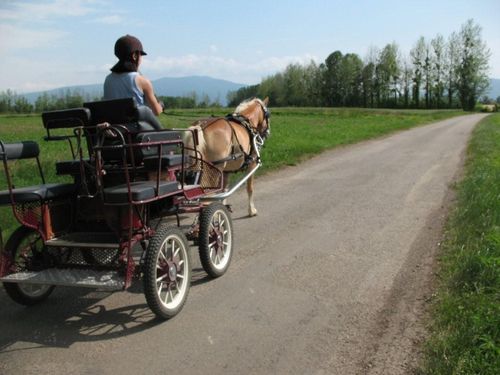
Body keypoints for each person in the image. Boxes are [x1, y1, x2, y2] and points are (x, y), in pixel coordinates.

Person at [104, 35, 164, 121]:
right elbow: (156, 111)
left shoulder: (108, 79)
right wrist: (161, 105)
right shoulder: (142, 81)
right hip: (137, 129)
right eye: (140, 55)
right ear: (135, 56)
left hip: (116, 128)